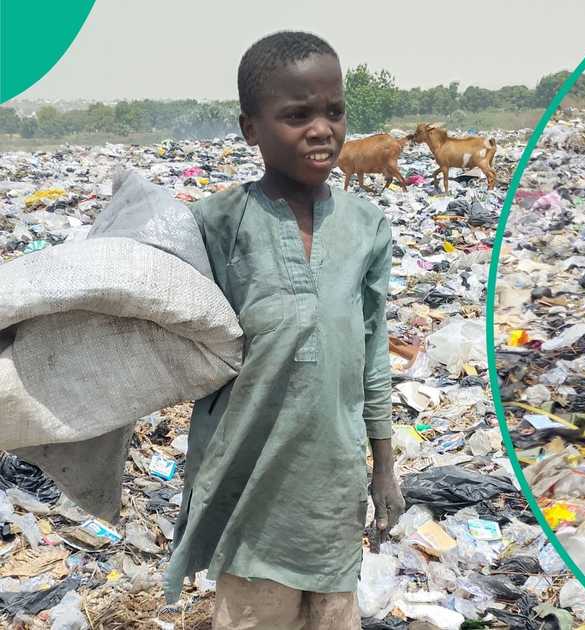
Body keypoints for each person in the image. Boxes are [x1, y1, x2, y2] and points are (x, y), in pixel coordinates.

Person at [163, 31, 405, 629]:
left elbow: (372, 352)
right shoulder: (215, 223)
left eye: (334, 112)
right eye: (297, 116)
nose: (321, 129)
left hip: (331, 486)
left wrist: (384, 464)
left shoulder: (366, 226)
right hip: (249, 483)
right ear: (251, 128)